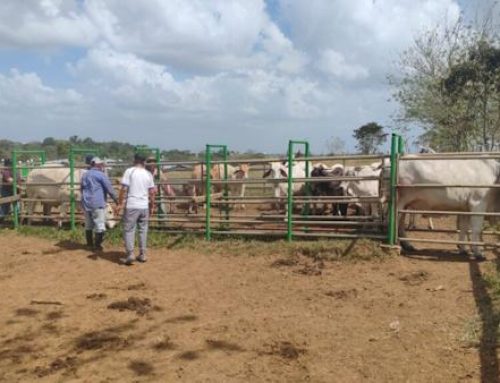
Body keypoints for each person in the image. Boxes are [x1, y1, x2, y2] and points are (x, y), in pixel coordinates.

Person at [116, 153, 156, 265]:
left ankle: (130, 254)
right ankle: (143, 254)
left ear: (135, 160)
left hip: (132, 205)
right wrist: (152, 205)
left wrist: (120, 203)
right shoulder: (148, 174)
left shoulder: (130, 171)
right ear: (144, 162)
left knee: (129, 230)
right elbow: (152, 192)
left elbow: (123, 188)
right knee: (143, 230)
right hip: (144, 206)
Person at [80, 157, 118, 251]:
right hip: (97, 202)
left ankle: (89, 245)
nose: (102, 165)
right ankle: (97, 246)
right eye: (101, 164)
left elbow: (81, 188)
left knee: (88, 224)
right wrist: (117, 200)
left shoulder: (85, 175)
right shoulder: (101, 175)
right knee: (100, 225)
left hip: (86, 202)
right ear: (97, 165)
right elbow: (109, 189)